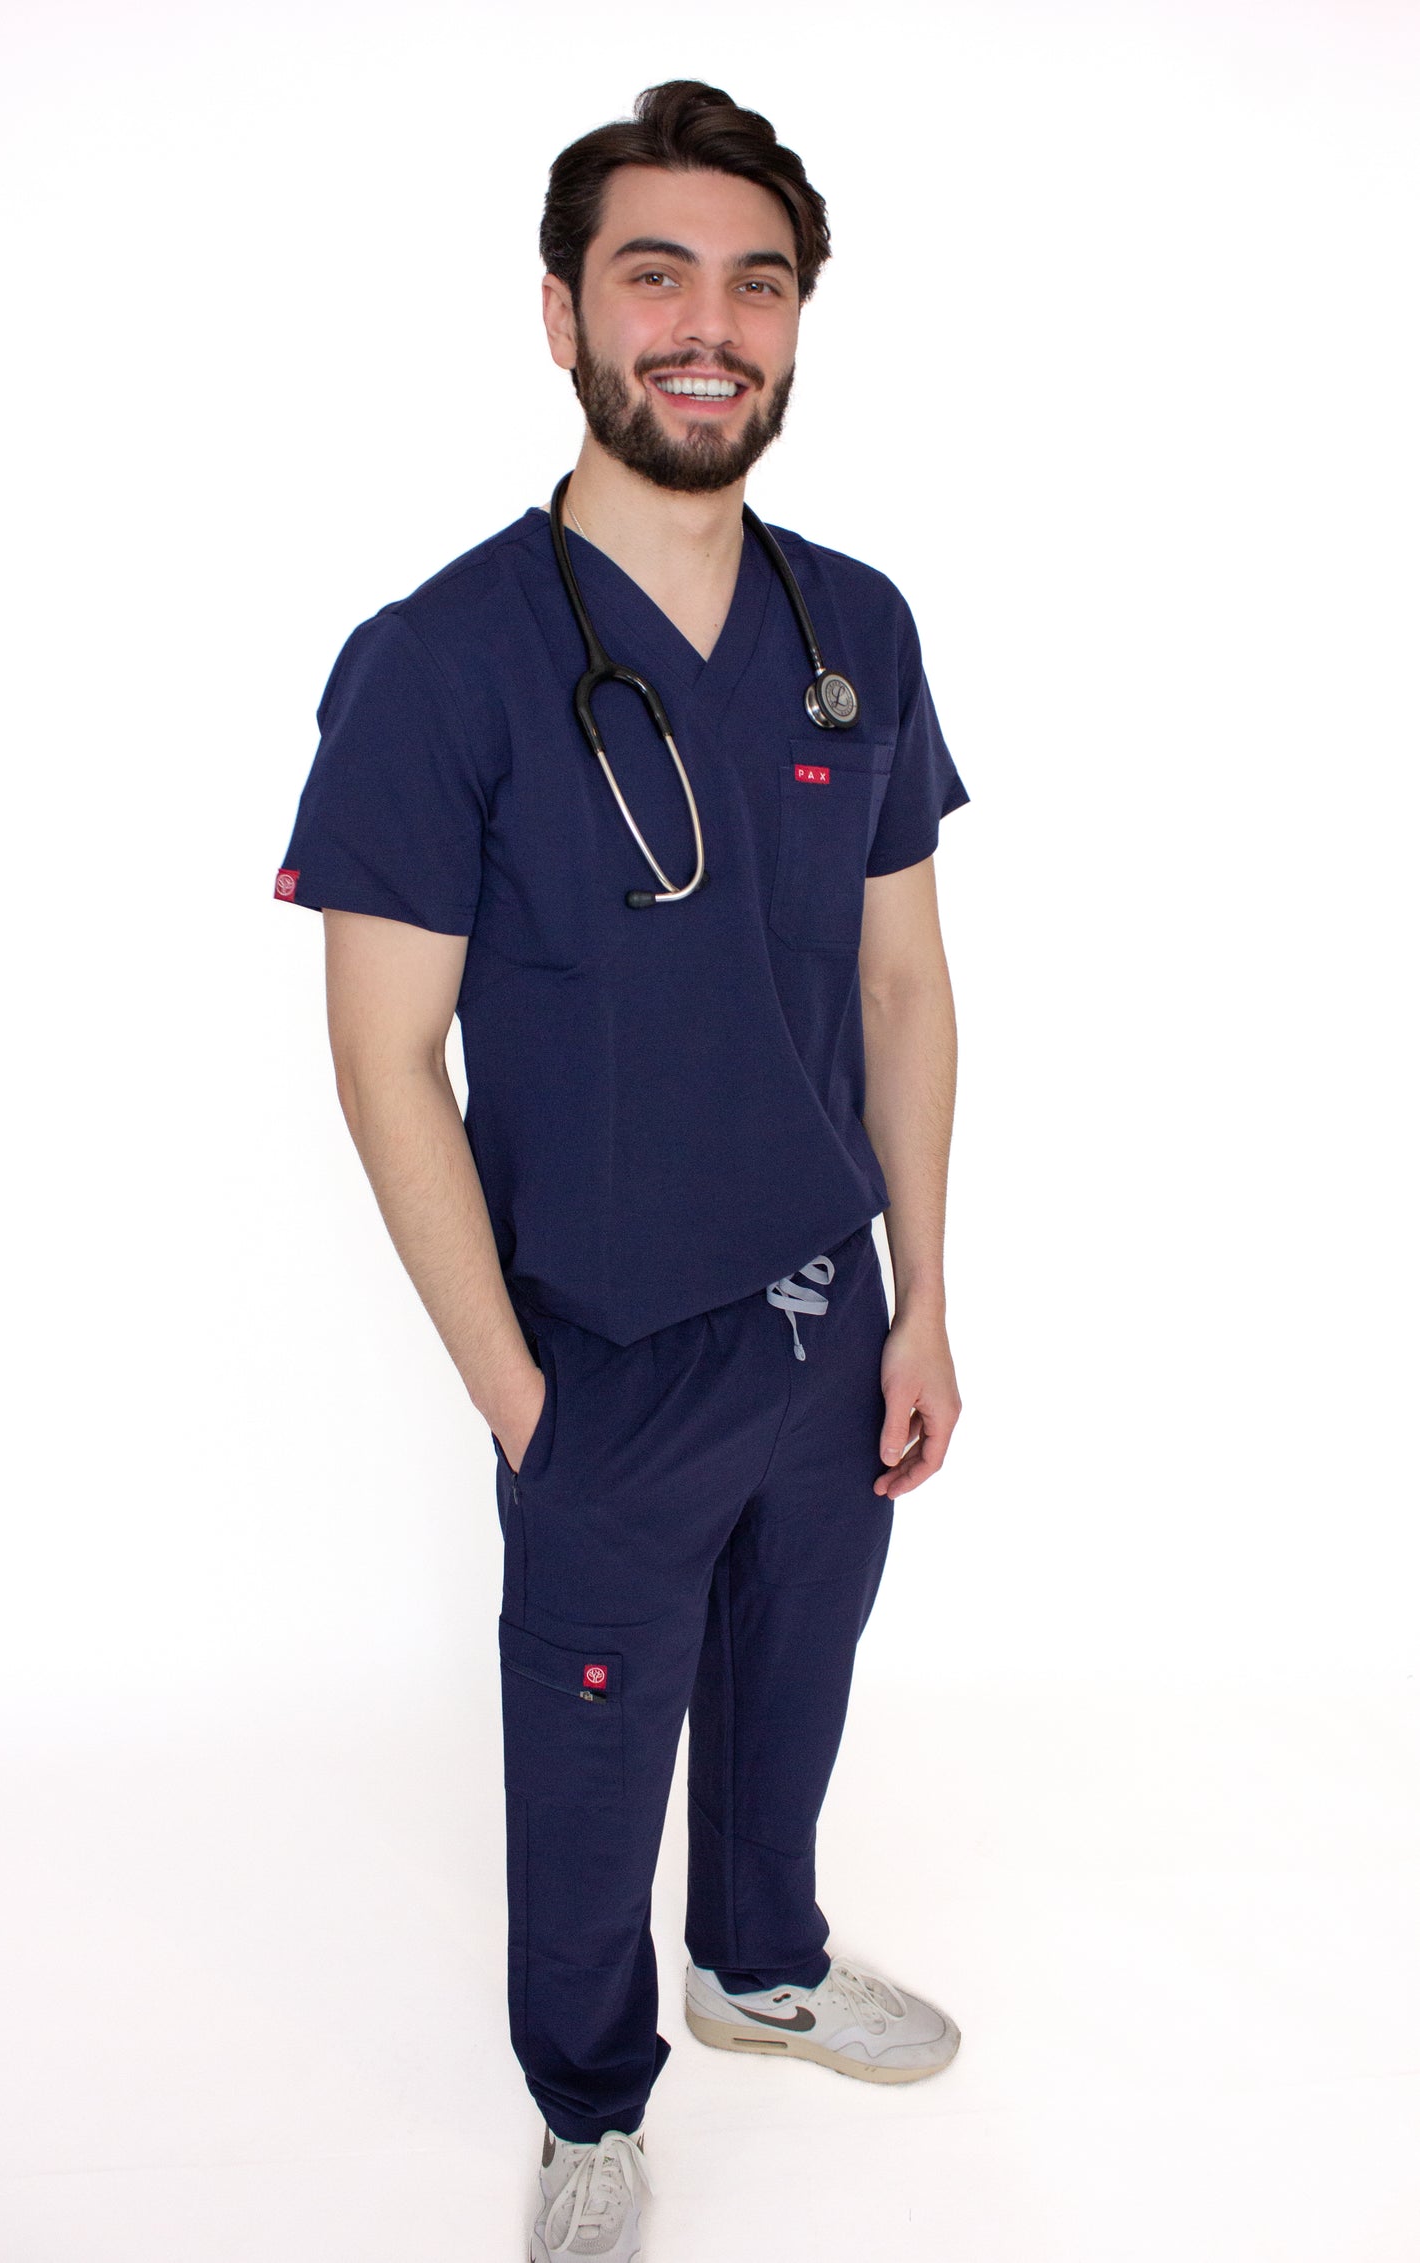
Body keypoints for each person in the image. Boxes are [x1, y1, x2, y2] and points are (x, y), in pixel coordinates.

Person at [274, 78, 970, 2263]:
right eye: (653, 273)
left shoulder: (854, 625)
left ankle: (759, 1961)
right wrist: (515, 1393)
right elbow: (383, 1055)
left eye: (755, 281)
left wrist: (924, 1294)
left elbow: (902, 987)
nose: (708, 321)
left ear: (795, 328)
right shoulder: (443, 663)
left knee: (796, 1682)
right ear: (562, 312)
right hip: (603, 1353)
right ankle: (590, 2100)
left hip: (826, 1321)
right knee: (585, 1765)